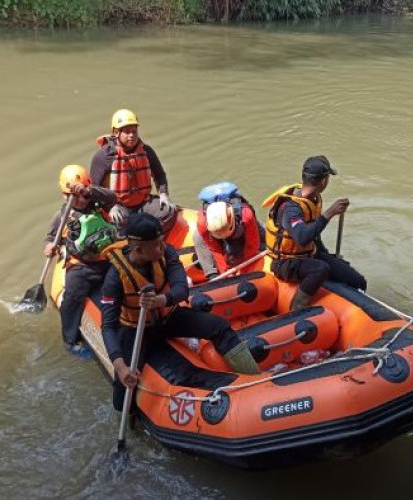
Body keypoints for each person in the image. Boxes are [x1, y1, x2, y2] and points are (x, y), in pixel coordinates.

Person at [100, 212, 260, 413]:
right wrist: (121, 366)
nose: (162, 246)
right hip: (135, 330)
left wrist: (162, 300)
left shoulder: (166, 253)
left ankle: (256, 377)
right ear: (138, 249)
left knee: (218, 326)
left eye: (161, 241)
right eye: (156, 244)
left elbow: (181, 288)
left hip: (168, 317)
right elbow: (108, 326)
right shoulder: (114, 277)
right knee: (121, 397)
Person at [263, 155, 367, 311]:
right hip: (285, 262)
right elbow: (302, 237)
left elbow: (314, 237)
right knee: (320, 268)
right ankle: (296, 308)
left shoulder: (312, 199)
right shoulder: (290, 208)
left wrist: (329, 257)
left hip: (307, 254)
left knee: (358, 281)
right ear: (324, 181)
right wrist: (329, 213)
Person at [44, 165, 118, 359]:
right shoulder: (62, 216)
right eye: (73, 196)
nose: (80, 200)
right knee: (72, 299)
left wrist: (88, 191)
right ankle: (70, 340)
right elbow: (51, 238)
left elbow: (112, 197)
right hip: (82, 266)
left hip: (107, 259)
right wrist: (50, 247)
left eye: (83, 195)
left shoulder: (100, 205)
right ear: (64, 195)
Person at [90, 109, 174, 228]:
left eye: (134, 131)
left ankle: (154, 239)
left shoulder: (147, 151)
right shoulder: (103, 157)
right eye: (127, 132)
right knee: (120, 221)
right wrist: (110, 207)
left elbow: (159, 175)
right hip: (119, 207)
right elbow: (94, 189)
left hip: (143, 203)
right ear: (116, 132)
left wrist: (164, 194)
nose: (132, 135)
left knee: (168, 211)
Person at [193, 182, 265, 280]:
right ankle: (211, 274)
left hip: (241, 227)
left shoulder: (246, 215)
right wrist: (225, 272)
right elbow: (214, 249)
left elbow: (252, 246)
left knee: (264, 240)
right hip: (219, 231)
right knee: (197, 237)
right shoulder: (202, 223)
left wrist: (244, 271)